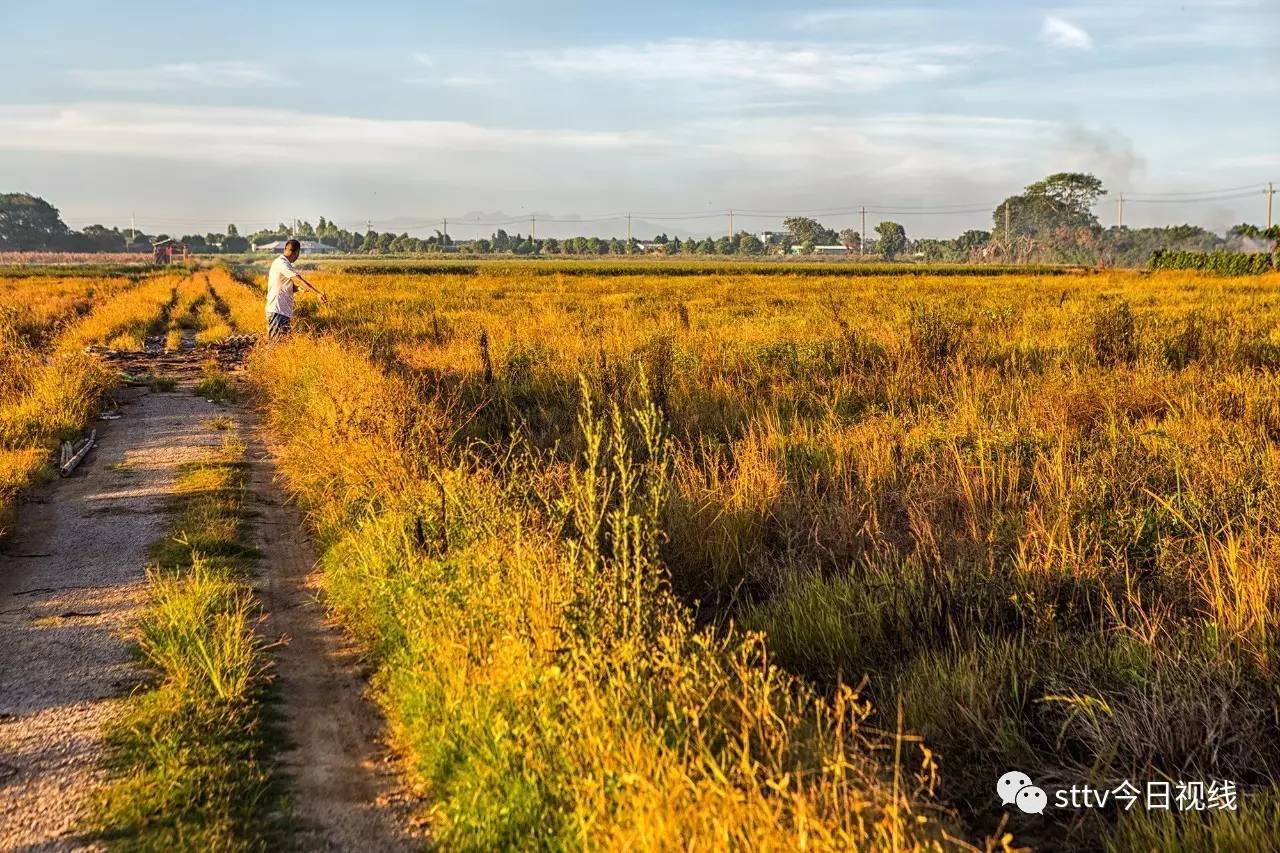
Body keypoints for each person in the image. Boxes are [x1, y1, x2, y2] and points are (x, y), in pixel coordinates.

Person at [266, 238, 328, 339]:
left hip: (283, 311)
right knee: (275, 344)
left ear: (285, 249)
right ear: (297, 252)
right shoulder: (282, 263)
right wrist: (318, 293)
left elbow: (284, 284)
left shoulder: (282, 262)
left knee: (283, 344)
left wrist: (298, 289)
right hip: (278, 310)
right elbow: (299, 280)